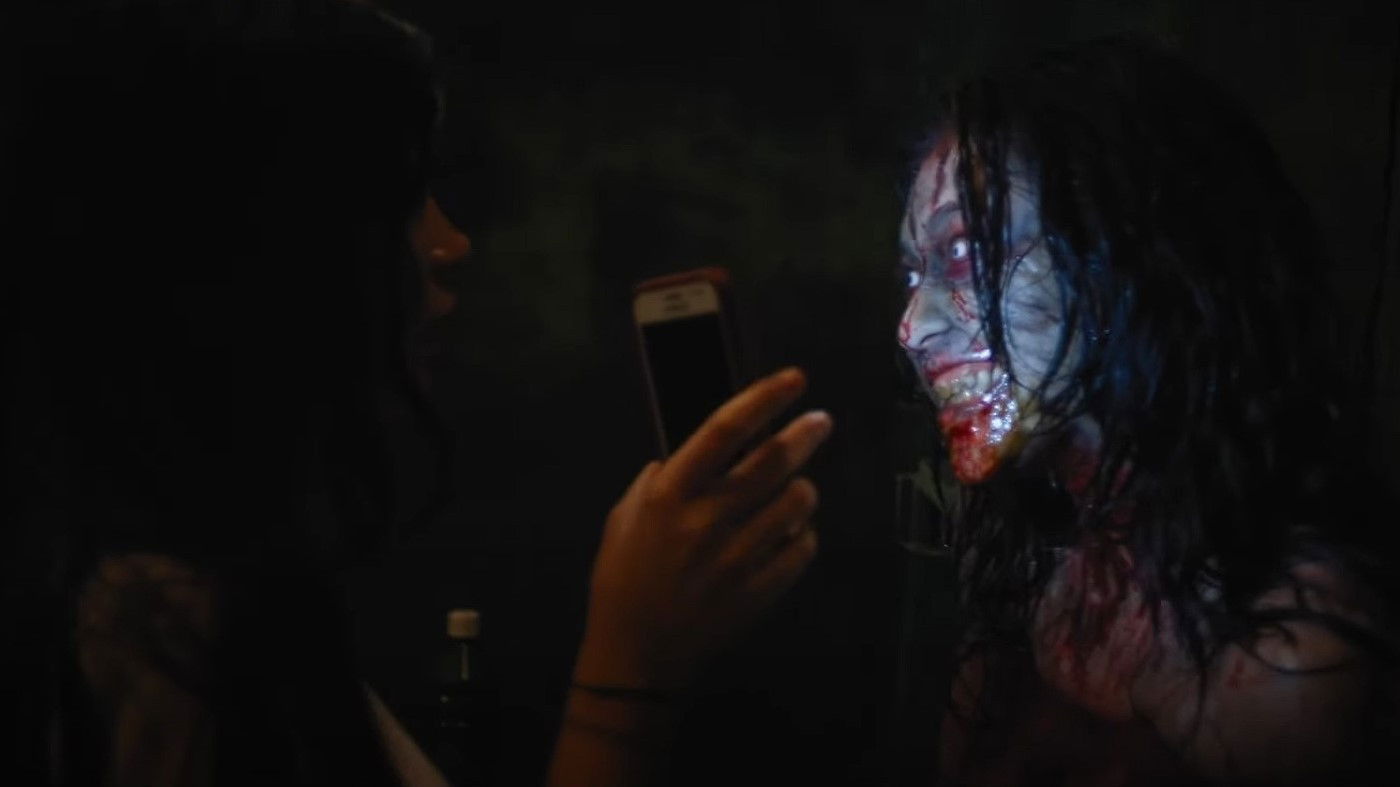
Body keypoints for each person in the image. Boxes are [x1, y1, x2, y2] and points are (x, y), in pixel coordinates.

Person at [0, 1, 829, 784]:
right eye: (399, 194)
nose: (451, 241)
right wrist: (630, 673)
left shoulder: (178, 584)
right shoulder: (149, 628)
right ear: (257, 244)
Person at [896, 37, 1400, 786]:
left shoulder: (1290, 661)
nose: (910, 328)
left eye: (963, 253)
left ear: (1130, 255)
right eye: (913, 274)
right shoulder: (1023, 553)